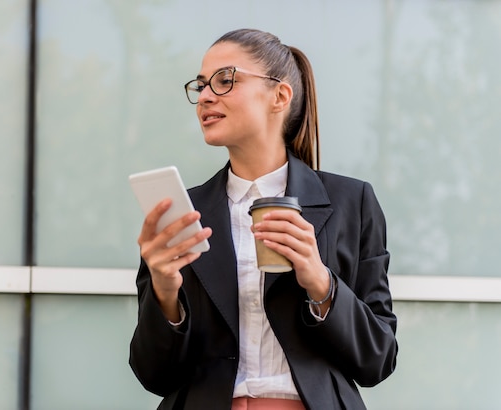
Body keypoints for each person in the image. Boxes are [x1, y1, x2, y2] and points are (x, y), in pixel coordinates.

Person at [129, 28, 397, 410]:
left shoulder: (351, 202)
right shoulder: (181, 213)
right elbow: (152, 374)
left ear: (280, 96)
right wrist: (164, 293)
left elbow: (379, 359)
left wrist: (321, 284)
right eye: (201, 85)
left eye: (225, 81)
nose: (205, 96)